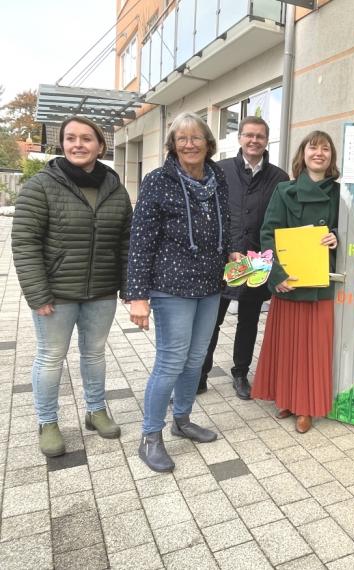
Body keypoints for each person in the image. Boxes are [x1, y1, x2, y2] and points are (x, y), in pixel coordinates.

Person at [12, 116, 132, 457]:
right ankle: (47, 422)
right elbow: (24, 242)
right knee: (51, 357)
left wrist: (128, 287)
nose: (78, 144)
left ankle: (96, 411)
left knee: (94, 354)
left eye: (86, 138)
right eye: (70, 138)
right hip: (56, 294)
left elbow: (125, 241)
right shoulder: (42, 185)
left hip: (101, 292)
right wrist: (38, 293)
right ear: (62, 144)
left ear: (100, 145)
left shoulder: (114, 187)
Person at [127, 112, 231, 473]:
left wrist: (233, 253)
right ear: (172, 145)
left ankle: (182, 420)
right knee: (171, 360)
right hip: (171, 286)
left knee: (196, 357)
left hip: (211, 284)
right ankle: (150, 437)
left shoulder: (218, 178)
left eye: (196, 138)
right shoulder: (158, 181)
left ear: (208, 143)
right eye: (182, 139)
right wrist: (137, 296)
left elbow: (227, 222)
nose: (189, 144)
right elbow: (140, 242)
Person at [251, 131, 339, 434]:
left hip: (320, 282)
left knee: (314, 347)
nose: (319, 153)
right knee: (287, 344)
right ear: (302, 154)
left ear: (331, 157)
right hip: (289, 280)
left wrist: (336, 235)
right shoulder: (283, 190)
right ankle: (286, 398)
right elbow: (267, 233)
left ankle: (306, 407)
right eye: (313, 148)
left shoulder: (342, 193)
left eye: (325, 149)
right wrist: (276, 276)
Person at [199, 116, 289, 399]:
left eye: (260, 136)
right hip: (225, 258)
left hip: (257, 260)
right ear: (239, 138)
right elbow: (208, 215)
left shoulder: (279, 178)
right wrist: (227, 247)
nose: (254, 140)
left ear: (267, 140)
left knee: (249, 320)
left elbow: (281, 222)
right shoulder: (220, 170)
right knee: (212, 320)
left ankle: (240, 373)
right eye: (248, 135)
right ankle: (200, 373)